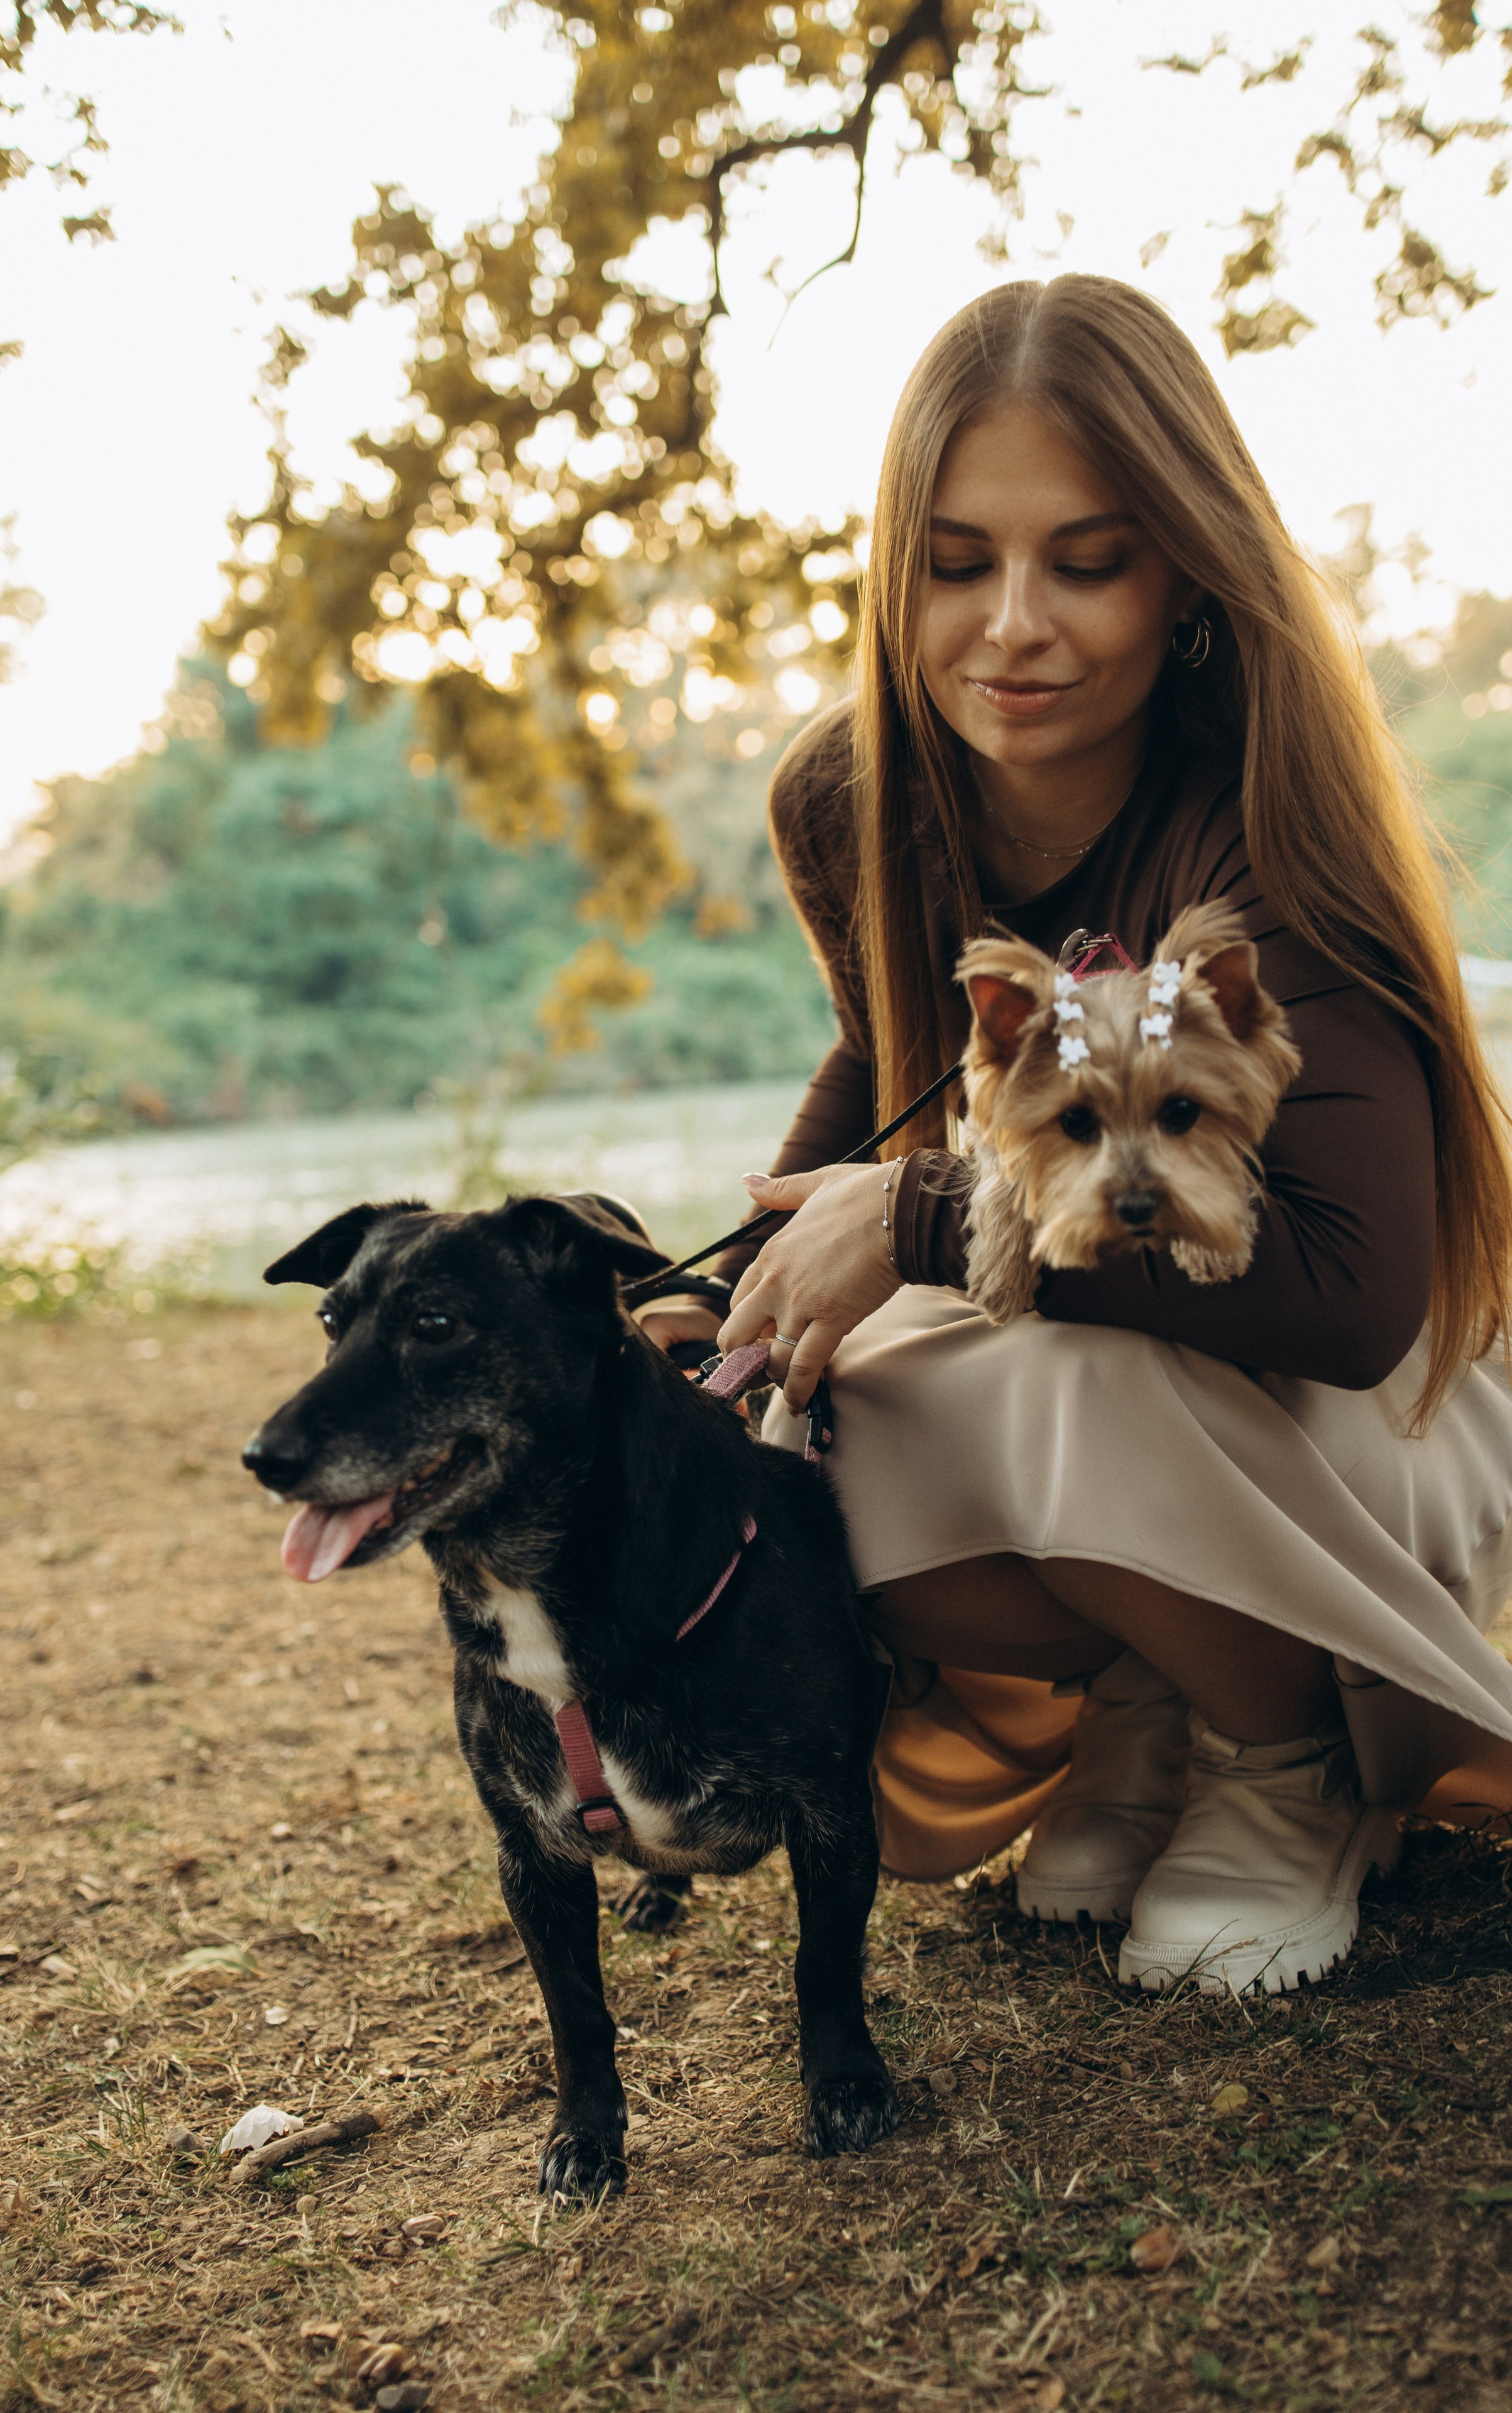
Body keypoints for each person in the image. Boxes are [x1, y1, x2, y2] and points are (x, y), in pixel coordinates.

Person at [636, 275, 1512, 1996]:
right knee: (828, 1404)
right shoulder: (854, 793)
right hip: (1139, 1371)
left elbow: (1349, 1295)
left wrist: (912, 1222)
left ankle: (1293, 1758)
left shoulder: (1275, 815)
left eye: (1086, 561)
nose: (1011, 624)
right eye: (956, 562)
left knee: (1038, 1371)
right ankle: (1153, 1686)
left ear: (1185, 564)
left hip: (1373, 1409)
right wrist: (712, 1302)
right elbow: (878, 1063)